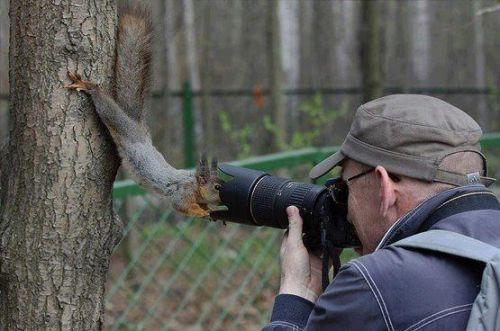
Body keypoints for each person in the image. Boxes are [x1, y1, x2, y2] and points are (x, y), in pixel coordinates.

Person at [262, 94, 500, 330]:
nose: (344, 212)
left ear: (384, 187)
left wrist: (295, 296)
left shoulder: (373, 286)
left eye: (344, 189)